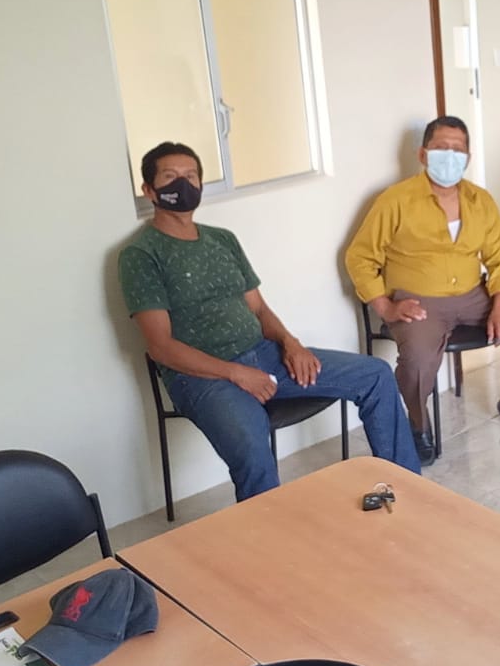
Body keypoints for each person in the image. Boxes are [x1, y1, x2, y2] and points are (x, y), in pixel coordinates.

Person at [119, 141, 420, 501]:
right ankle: (267, 532)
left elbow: (259, 310)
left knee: (375, 374)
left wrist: (291, 344)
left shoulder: (222, 240)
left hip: (263, 354)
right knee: (252, 448)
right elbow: (161, 347)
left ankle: (407, 488)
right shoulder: (141, 254)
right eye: (170, 177)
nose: (183, 184)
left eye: (191, 176)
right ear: (149, 190)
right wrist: (236, 373)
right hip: (202, 377)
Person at [345, 116, 500, 465]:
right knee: (416, 358)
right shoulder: (395, 200)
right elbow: (360, 257)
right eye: (441, 147)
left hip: (473, 295)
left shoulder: (480, 200)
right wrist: (386, 307)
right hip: (418, 301)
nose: (450, 155)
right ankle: (417, 423)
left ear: (467, 158)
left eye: (457, 149)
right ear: (423, 154)